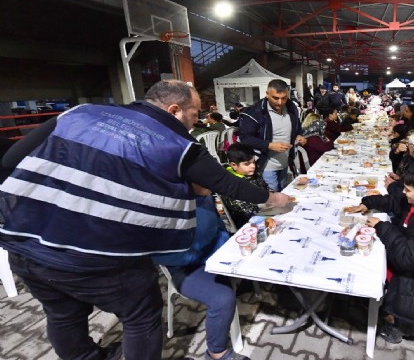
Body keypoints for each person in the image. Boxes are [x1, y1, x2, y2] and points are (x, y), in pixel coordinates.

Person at [0, 80, 289, 360]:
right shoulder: (176, 142)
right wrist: (276, 199)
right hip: (97, 253)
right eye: (193, 114)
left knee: (63, 315)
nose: (195, 122)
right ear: (175, 110)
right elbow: (227, 183)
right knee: (141, 317)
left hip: (24, 242)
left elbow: (11, 159)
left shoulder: (79, 113)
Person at [345, 163, 414, 343]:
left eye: (407, 190)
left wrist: (383, 228)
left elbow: (409, 259)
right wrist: (367, 203)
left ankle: (399, 325)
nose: (403, 193)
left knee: (367, 260)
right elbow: (394, 202)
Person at [152, 184, 247, 360]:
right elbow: (160, 255)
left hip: (216, 251)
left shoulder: (204, 195)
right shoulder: (165, 204)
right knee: (222, 298)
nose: (210, 183)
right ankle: (216, 353)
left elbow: (217, 229)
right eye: (203, 178)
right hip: (185, 267)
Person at [239, 79, 306, 191]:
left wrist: (299, 136)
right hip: (265, 165)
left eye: (284, 98)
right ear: (267, 94)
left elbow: (297, 129)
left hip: (285, 163)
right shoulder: (255, 112)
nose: (280, 102)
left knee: (283, 191)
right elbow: (244, 138)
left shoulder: (291, 108)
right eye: (275, 98)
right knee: (272, 198)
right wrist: (269, 145)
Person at [222, 143, 271, 227]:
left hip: (266, 211)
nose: (253, 166)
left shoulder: (254, 173)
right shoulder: (231, 184)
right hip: (248, 224)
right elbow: (245, 212)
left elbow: (265, 188)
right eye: (247, 164)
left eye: (253, 162)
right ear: (234, 165)